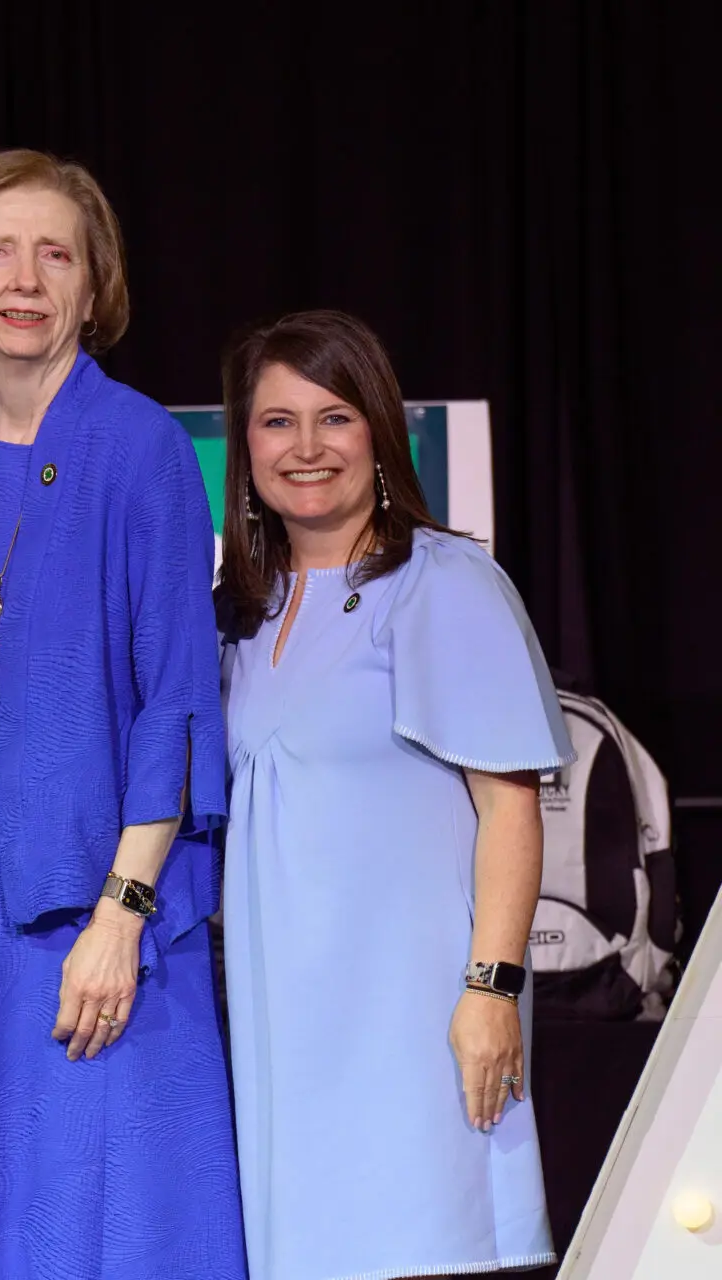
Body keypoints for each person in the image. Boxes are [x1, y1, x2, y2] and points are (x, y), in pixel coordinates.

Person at [0, 150, 245, 1278]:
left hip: (92, 914)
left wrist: (122, 912)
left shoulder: (144, 447)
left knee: (90, 1222)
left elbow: (175, 698)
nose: (25, 277)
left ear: (92, 282)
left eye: (55, 252)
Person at [217, 309, 573, 1279]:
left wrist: (491, 988)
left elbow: (508, 805)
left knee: (420, 1245)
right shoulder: (242, 613)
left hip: (419, 1022)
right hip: (288, 1027)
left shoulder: (442, 582)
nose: (305, 446)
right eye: (276, 420)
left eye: (334, 417)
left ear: (379, 429)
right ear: (243, 444)